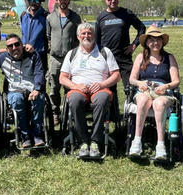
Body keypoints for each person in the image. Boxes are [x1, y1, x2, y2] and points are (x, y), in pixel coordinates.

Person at [59, 23, 121, 158]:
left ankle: (95, 141)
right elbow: (62, 78)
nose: (86, 36)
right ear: (78, 37)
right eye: (83, 33)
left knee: (103, 99)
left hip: (100, 89)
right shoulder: (72, 54)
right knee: (74, 100)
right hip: (79, 89)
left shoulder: (105, 52)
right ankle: (83, 142)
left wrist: (102, 84)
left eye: (89, 33)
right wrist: (75, 86)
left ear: (94, 35)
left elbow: (116, 75)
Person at [128, 26, 180, 160]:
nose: (155, 43)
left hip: (164, 91)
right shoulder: (140, 57)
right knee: (143, 100)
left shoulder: (169, 58)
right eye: (151, 40)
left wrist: (166, 86)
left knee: (159, 103)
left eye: (158, 40)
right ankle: (137, 141)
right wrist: (140, 83)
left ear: (162, 42)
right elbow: (132, 79)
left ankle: (161, 145)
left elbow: (176, 81)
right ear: (146, 43)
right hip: (144, 90)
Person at [0, 34, 46, 148]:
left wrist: (37, 89)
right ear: (7, 49)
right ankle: (25, 136)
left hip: (32, 88)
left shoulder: (33, 55)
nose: (14, 48)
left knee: (39, 99)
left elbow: (39, 72)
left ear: (22, 45)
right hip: (14, 90)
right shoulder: (2, 58)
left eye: (17, 44)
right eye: (10, 46)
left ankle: (37, 134)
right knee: (17, 99)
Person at [95, 0, 145, 93]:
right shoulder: (101, 17)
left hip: (124, 57)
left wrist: (134, 44)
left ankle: (131, 106)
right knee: (109, 91)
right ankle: (113, 107)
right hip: (107, 59)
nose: (113, 1)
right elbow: (97, 40)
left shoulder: (126, 13)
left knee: (131, 89)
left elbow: (142, 28)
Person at [46, 0, 81, 125]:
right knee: (54, 88)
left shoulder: (75, 17)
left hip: (70, 59)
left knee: (69, 87)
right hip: (55, 59)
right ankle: (55, 113)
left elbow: (79, 37)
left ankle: (68, 113)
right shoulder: (50, 17)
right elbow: (48, 36)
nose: (63, 1)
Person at [20, 0, 49, 73]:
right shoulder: (23, 15)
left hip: (39, 55)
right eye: (31, 0)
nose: (33, 3)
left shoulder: (46, 16)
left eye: (36, 0)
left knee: (40, 81)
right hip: (24, 54)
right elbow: (23, 34)